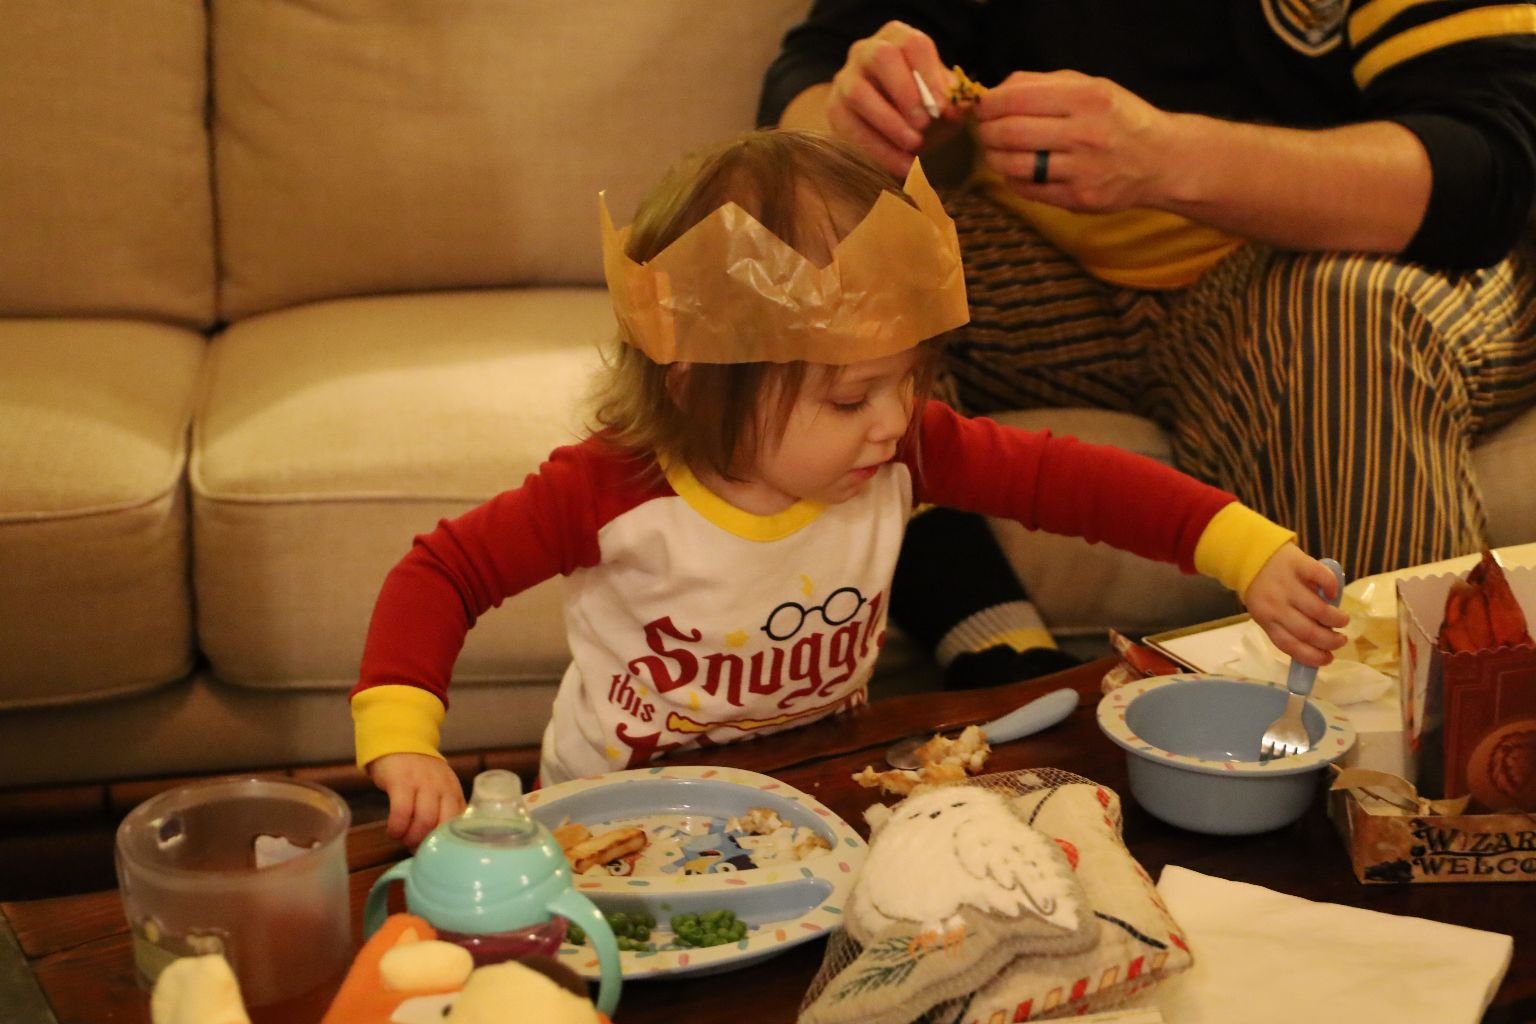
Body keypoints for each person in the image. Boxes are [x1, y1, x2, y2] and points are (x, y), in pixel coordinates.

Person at [351, 129, 1349, 847]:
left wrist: (1244, 548)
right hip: (617, 817)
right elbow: (442, 573)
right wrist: (405, 742)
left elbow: (1069, 480)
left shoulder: (902, 445)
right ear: (696, 387)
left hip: (818, 790)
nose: (893, 418)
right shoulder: (610, 488)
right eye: (848, 397)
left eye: (907, 379)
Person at [758, 3, 1536, 690]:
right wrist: (853, 123)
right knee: (810, 260)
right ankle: (997, 650)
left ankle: (1414, 760)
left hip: (1316, 262)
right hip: (1048, 263)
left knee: (1345, 314)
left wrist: (1170, 159)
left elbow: (1487, 164)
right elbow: (812, 77)